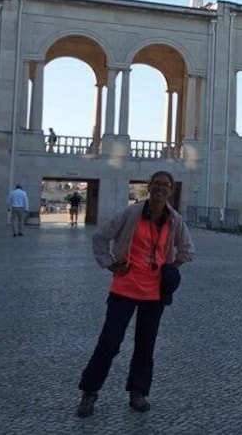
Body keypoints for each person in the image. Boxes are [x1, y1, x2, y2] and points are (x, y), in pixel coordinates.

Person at [76, 170, 194, 418]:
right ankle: (89, 392)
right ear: (149, 187)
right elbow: (100, 236)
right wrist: (110, 263)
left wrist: (170, 268)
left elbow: (187, 249)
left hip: (154, 293)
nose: (161, 188)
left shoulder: (173, 220)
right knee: (109, 342)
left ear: (171, 191)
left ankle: (138, 392)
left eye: (166, 185)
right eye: (157, 184)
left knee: (145, 345)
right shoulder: (132, 213)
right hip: (125, 287)